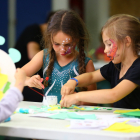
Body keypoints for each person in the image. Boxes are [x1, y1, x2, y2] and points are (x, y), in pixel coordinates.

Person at [60, 14, 140, 109]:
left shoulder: (138, 67)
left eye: (109, 44)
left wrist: (76, 96)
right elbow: (92, 76)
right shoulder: (117, 65)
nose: (105, 50)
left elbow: (113, 94)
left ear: (127, 41)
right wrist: (73, 81)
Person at [21, 10, 97, 104]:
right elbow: (17, 76)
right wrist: (28, 81)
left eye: (68, 44)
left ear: (77, 39)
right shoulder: (43, 56)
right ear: (50, 39)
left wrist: (78, 100)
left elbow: (94, 100)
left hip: (75, 116)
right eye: (57, 44)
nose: (62, 49)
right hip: (48, 114)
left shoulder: (86, 63)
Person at [14, 11, 56, 102]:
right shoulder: (33, 30)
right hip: (21, 76)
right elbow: (32, 54)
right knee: (48, 97)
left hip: (33, 78)